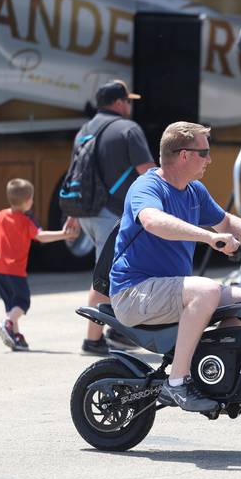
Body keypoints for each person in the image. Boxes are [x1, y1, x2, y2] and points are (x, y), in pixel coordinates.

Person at [109, 121, 241, 412]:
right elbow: (152, 221)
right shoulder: (147, 186)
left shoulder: (194, 191)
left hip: (170, 292)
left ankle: (219, 379)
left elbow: (227, 222)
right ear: (184, 155)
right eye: (204, 152)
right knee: (207, 290)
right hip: (133, 293)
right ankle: (176, 383)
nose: (210, 159)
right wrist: (208, 237)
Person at [63, 80, 155, 355]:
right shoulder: (129, 129)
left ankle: (119, 331)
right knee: (106, 278)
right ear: (119, 103)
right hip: (111, 215)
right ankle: (93, 340)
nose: (130, 105)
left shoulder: (84, 129)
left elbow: (75, 172)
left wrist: (73, 214)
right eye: (128, 101)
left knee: (125, 273)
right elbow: (146, 170)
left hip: (87, 212)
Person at [0, 178, 79, 351]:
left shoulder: (0, 215)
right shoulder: (25, 220)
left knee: (11, 304)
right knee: (22, 303)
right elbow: (41, 237)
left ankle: (16, 337)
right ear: (26, 201)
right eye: (31, 199)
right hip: (15, 270)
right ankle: (7, 323)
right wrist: (63, 234)